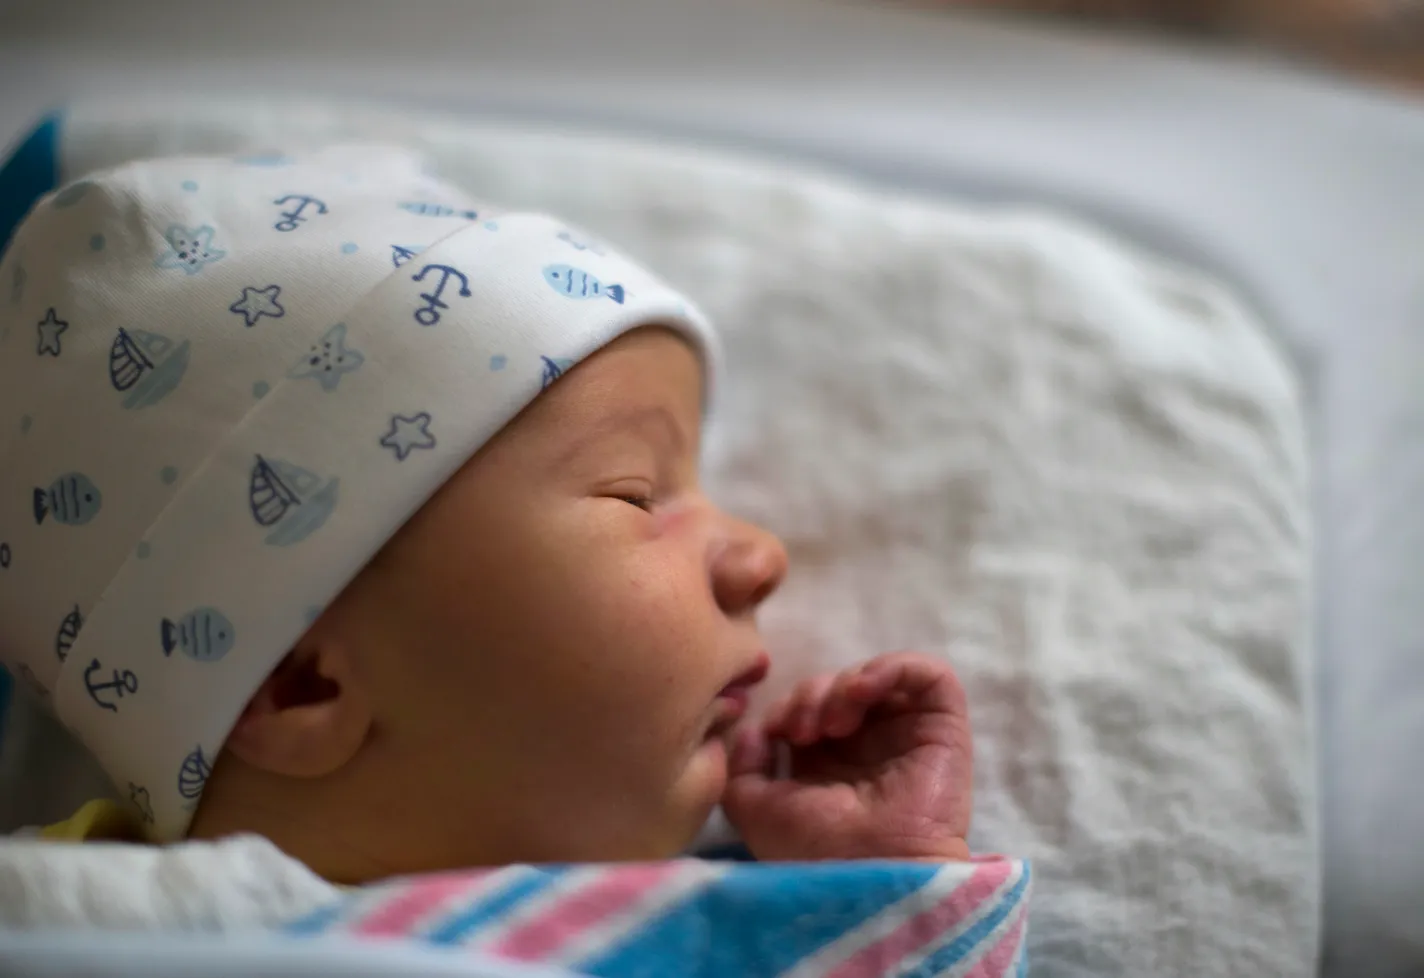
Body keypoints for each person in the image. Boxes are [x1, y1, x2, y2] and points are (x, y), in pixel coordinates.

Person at [0, 145, 973, 884]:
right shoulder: (72, 915)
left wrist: (884, 875)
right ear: (301, 686)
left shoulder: (724, 921)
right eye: (637, 492)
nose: (761, 556)